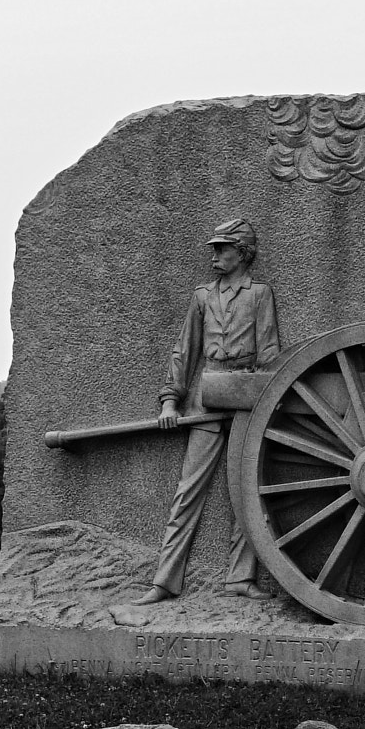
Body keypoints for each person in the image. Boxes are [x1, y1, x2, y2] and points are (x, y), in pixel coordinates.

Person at [129, 218, 280, 605]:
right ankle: (164, 581)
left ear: (243, 254)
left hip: (247, 398)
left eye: (222, 249)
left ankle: (240, 578)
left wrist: (266, 402)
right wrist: (169, 399)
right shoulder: (202, 297)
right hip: (206, 398)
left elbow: (269, 355)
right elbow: (184, 352)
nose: (215, 256)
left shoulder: (259, 294)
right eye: (214, 249)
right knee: (187, 491)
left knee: (247, 492)